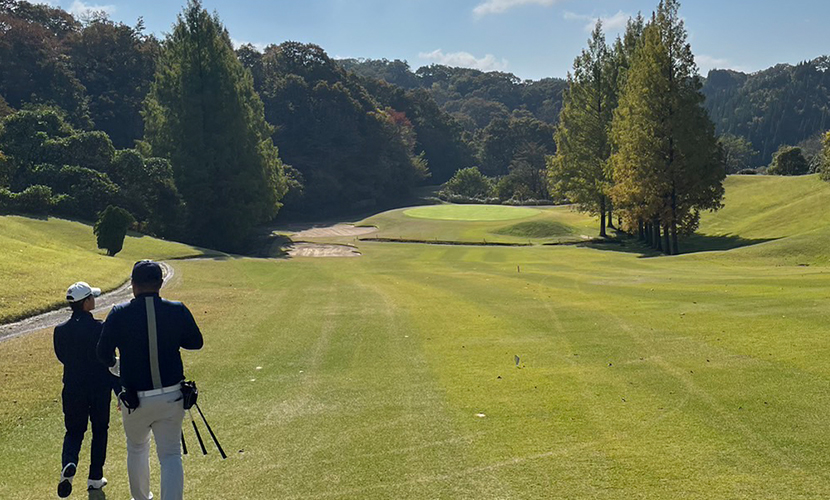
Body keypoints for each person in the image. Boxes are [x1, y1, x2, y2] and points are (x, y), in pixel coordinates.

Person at [97, 260, 203, 500]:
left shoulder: (119, 313)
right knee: (170, 455)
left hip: (135, 398)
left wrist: (117, 368)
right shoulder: (177, 309)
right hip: (172, 394)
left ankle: (141, 498)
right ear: (160, 283)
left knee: (136, 449)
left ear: (133, 284)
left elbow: (102, 353)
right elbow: (195, 342)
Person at [54, 281, 119, 498]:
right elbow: (110, 361)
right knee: (100, 431)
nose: (95, 300)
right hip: (99, 389)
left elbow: (62, 357)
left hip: (72, 389)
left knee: (74, 431)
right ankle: (94, 478)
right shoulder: (101, 328)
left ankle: (70, 463)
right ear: (86, 302)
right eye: (92, 297)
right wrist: (119, 391)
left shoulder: (60, 331)